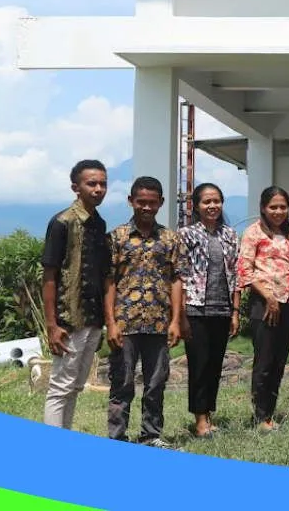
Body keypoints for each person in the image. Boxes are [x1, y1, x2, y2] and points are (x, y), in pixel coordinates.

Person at [104, 176, 182, 448]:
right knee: (122, 383)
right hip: (125, 324)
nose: (146, 208)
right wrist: (111, 323)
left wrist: (175, 321)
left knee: (156, 384)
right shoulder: (117, 237)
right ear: (131, 202)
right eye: (141, 202)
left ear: (161, 203)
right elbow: (109, 281)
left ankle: (151, 435)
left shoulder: (170, 238)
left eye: (152, 202)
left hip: (159, 324)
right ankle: (117, 438)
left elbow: (175, 279)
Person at [41, 159, 111, 430]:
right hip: (68, 319)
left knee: (75, 386)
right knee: (60, 387)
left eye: (103, 184)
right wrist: (52, 325)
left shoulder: (98, 223)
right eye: (91, 183)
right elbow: (49, 276)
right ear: (76, 187)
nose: (98, 189)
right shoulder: (62, 223)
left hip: (92, 319)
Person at [177, 182, 240, 438]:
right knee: (199, 365)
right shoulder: (187, 234)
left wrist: (235, 311)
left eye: (216, 201)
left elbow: (236, 274)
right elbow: (179, 275)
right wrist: (180, 315)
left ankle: (208, 414)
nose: (212, 206)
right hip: (195, 309)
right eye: (207, 202)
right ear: (196, 205)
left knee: (215, 365)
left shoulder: (230, 235)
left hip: (222, 310)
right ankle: (200, 420)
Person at [237, 186, 289, 431]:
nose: (278, 211)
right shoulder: (253, 232)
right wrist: (269, 298)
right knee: (264, 360)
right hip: (264, 304)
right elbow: (245, 270)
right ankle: (260, 415)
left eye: (283, 207)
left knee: (279, 361)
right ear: (263, 208)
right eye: (273, 206)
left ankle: (270, 412)